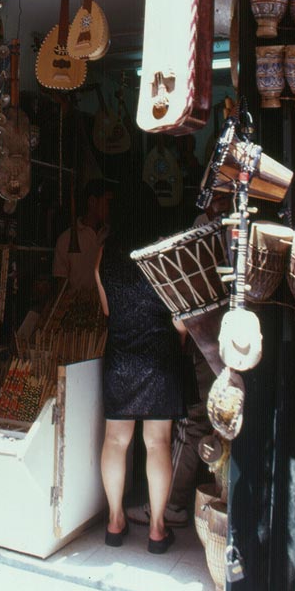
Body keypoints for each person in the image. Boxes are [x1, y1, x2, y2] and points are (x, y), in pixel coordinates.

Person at [127, 191, 231, 528]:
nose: (212, 202)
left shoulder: (214, 227)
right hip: (221, 337)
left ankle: (171, 503)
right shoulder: (211, 225)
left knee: (194, 421)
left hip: (212, 339)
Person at [95, 190, 186, 554]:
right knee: (157, 443)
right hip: (159, 359)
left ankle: (115, 521)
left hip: (120, 359)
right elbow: (180, 322)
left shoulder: (104, 256)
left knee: (116, 441)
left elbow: (106, 310)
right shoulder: (163, 259)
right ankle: (157, 530)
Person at [52, 178, 114, 293]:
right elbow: (60, 284)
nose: (110, 208)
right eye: (107, 202)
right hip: (76, 308)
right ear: (92, 202)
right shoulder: (66, 239)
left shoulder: (111, 237)